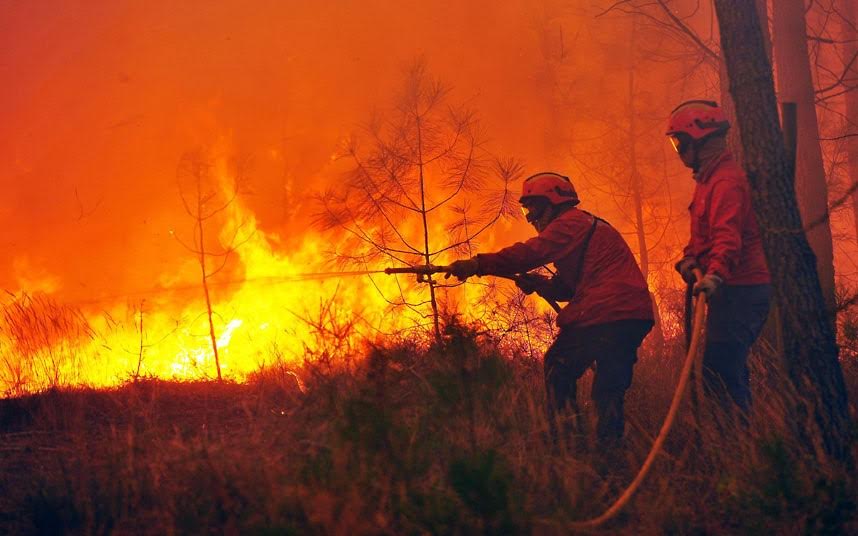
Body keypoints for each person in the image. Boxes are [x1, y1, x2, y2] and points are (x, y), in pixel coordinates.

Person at [447, 172, 654, 447]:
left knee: (559, 367)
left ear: (554, 203)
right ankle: (610, 454)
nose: (530, 216)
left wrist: (478, 264)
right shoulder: (584, 227)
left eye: (534, 207)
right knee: (609, 390)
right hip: (631, 315)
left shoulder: (570, 223)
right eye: (526, 209)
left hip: (605, 313)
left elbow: (529, 254)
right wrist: (541, 284)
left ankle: (567, 444)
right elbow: (569, 289)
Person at [666, 100, 771, 413]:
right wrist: (689, 258)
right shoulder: (708, 180)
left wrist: (715, 275)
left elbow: (727, 237)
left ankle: (738, 446)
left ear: (699, 139)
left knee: (722, 370)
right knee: (722, 369)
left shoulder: (725, 182)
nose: (678, 150)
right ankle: (733, 440)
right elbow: (703, 236)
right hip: (731, 287)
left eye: (679, 142)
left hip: (743, 288)